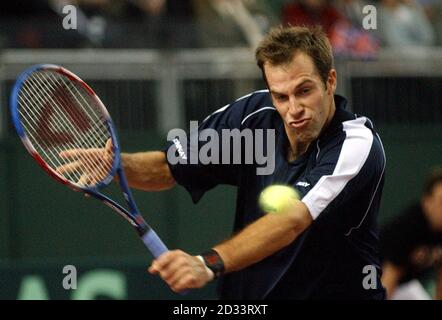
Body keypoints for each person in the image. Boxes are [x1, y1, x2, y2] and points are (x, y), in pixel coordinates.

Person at [62, 26, 387, 299]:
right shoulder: (254, 118)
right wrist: (120, 166)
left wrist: (207, 264)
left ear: (330, 81)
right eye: (280, 96)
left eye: (304, 91)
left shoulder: (355, 144)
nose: (293, 109)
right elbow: (169, 166)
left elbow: (290, 221)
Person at [380, 167, 442, 300]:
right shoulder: (409, 227)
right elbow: (389, 276)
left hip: (405, 284)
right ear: (427, 202)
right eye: (441, 202)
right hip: (372, 281)